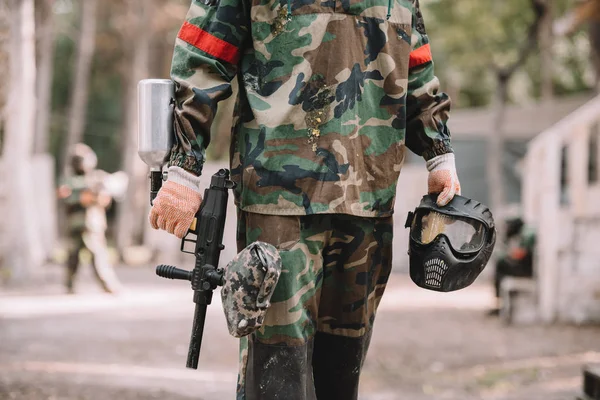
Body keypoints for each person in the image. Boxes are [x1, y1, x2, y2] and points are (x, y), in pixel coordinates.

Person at [150, 0, 461, 398]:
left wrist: (440, 154)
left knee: (342, 369)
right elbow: (203, 56)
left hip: (367, 200)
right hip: (279, 202)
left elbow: (414, 63)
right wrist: (182, 167)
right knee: (278, 367)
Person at [57, 143, 122, 294]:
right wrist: (82, 196)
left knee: (98, 256)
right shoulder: (70, 181)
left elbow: (106, 198)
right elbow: (67, 197)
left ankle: (107, 285)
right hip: (77, 224)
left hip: (92, 225)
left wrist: (97, 196)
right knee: (74, 258)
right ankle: (69, 285)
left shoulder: (97, 178)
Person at [489, 216, 536, 316]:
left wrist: (508, 254)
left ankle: (500, 303)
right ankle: (500, 302)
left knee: (500, 266)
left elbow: (521, 254)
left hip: (526, 270)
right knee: (500, 266)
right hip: (526, 267)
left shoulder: (526, 234)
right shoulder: (526, 231)